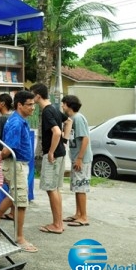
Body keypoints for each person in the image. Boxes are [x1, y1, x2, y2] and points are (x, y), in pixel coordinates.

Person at [0, 90, 38, 253]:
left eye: (34, 104)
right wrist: (2, 154)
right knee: (21, 202)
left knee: (13, 196)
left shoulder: (20, 120)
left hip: (18, 164)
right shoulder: (16, 122)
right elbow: (9, 147)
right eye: (30, 104)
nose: (33, 107)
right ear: (20, 105)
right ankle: (19, 238)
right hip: (15, 164)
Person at [30, 83, 73, 235]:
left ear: (38, 96)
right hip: (60, 153)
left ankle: (57, 224)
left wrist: (51, 151)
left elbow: (56, 132)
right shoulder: (54, 108)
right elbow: (68, 121)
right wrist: (65, 141)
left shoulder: (48, 111)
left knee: (50, 188)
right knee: (55, 189)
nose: (31, 99)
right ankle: (58, 223)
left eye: (32, 95)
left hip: (54, 155)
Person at [61, 95, 92, 227]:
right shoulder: (71, 119)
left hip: (82, 159)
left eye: (63, 104)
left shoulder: (78, 118)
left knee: (81, 187)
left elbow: (85, 138)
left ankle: (84, 216)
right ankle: (78, 214)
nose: (62, 106)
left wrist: (79, 158)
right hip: (75, 158)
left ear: (68, 105)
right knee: (76, 186)